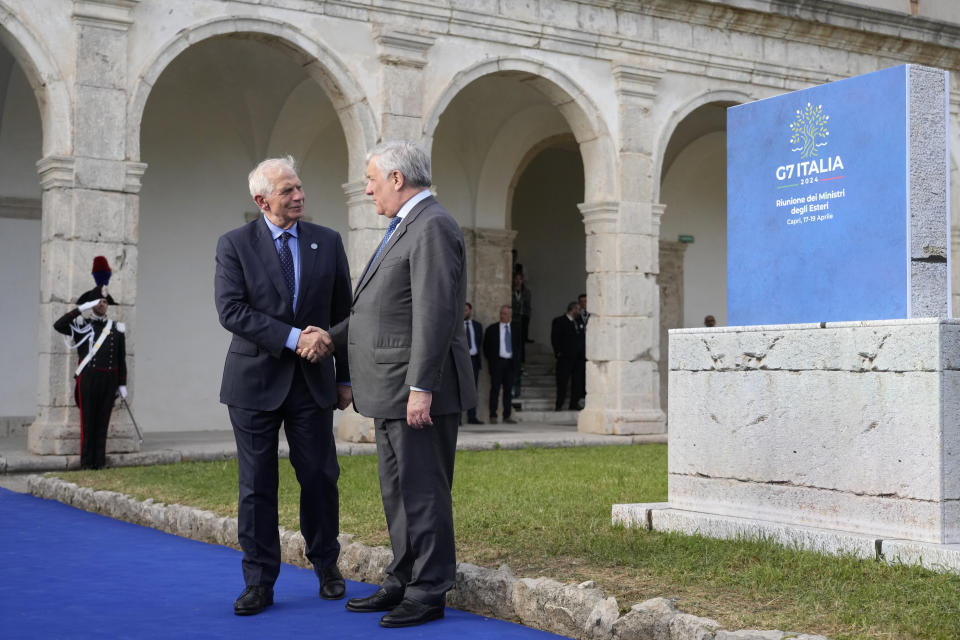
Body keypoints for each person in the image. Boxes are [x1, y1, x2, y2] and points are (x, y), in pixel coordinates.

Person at [330, 140, 476, 628]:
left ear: (397, 178)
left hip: (418, 390)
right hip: (391, 389)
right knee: (397, 491)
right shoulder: (404, 226)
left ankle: (430, 588)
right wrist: (327, 340)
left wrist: (421, 387)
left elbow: (435, 312)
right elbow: (374, 308)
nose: (367, 188)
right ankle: (403, 577)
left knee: (424, 490)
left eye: (372, 179)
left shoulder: (432, 225)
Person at [214, 156, 352, 616]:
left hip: (313, 384)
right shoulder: (234, 244)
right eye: (288, 191)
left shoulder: (327, 242)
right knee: (256, 485)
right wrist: (296, 339)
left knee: (318, 477)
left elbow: (343, 314)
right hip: (254, 381)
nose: (299, 196)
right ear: (262, 200)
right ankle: (259, 582)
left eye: (299, 187)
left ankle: (326, 566)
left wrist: (345, 376)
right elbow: (231, 310)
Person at [53, 259, 127, 471]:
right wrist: (79, 310)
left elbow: (121, 358)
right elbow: (58, 325)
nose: (102, 304)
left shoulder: (116, 328)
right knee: (88, 422)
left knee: (103, 422)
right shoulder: (81, 325)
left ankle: (99, 462)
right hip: (88, 378)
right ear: (91, 305)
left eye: (104, 302)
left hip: (109, 379)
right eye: (98, 302)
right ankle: (87, 462)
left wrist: (122, 384)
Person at [483, 305, 518, 424]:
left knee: (508, 390)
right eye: (501, 313)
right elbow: (486, 347)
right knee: (495, 389)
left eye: (505, 314)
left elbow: (519, 347)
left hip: (510, 363)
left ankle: (507, 415)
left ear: (510, 315)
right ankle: (493, 415)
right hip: (497, 363)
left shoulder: (516, 329)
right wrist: (493, 361)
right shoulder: (492, 329)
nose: (502, 316)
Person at [551, 301, 583, 411]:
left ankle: (574, 404)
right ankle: (559, 404)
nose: (580, 311)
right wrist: (558, 352)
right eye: (578, 309)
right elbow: (555, 338)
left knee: (577, 382)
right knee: (562, 382)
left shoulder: (578, 321)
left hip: (578, 358)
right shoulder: (559, 321)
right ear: (573, 309)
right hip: (565, 357)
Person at [464, 302, 484, 425]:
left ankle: (472, 417)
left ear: (470, 311)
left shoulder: (477, 326)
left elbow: (480, 342)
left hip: (474, 360)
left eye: (466, 310)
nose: (464, 312)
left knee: (473, 389)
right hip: (461, 361)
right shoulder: (456, 325)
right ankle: (458, 418)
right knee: (458, 389)